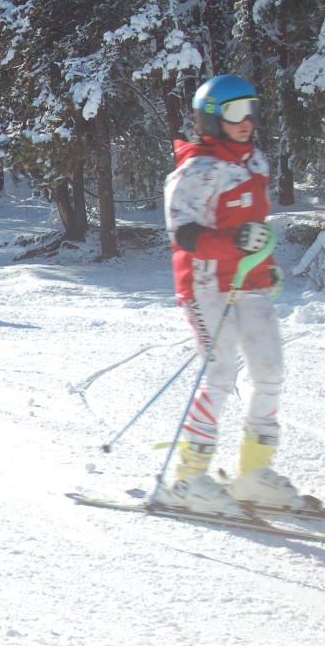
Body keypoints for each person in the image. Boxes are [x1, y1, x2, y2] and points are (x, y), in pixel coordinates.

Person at [160, 74, 313, 515]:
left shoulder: (255, 163)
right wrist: (233, 243)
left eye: (251, 110)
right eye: (234, 112)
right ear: (212, 118)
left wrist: (265, 266)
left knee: (270, 370)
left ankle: (253, 473)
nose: (246, 121)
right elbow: (184, 234)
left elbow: (255, 230)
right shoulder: (194, 172)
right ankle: (188, 479)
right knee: (220, 373)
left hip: (250, 285)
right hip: (207, 287)